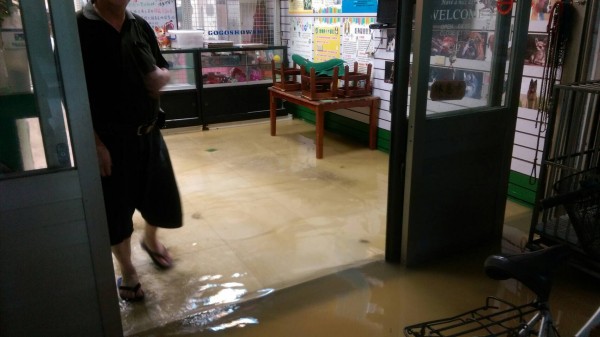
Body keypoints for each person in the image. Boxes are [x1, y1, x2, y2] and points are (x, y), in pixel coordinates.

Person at [77, 0, 183, 302]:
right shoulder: (79, 29)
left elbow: (162, 65)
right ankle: (128, 270)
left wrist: (163, 77)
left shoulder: (140, 25)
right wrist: (94, 144)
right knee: (115, 212)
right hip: (108, 142)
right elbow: (70, 93)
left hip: (149, 134)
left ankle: (150, 241)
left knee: (161, 197)